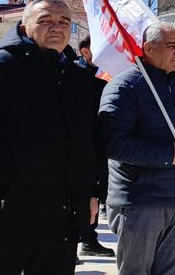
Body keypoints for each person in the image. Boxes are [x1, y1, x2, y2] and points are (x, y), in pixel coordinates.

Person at [0, 0, 97, 275]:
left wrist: (91, 193)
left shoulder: (77, 76)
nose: (56, 28)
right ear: (24, 27)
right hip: (6, 215)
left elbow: (86, 142)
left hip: (60, 218)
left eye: (63, 22)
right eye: (45, 20)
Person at [99, 22, 175, 275]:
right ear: (147, 48)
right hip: (141, 202)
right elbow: (114, 144)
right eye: (171, 46)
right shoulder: (124, 87)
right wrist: (169, 156)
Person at [75, 36, 116, 258]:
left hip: (99, 145)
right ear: (85, 52)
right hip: (80, 144)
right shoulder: (74, 74)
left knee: (95, 193)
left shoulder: (103, 77)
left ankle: (89, 239)